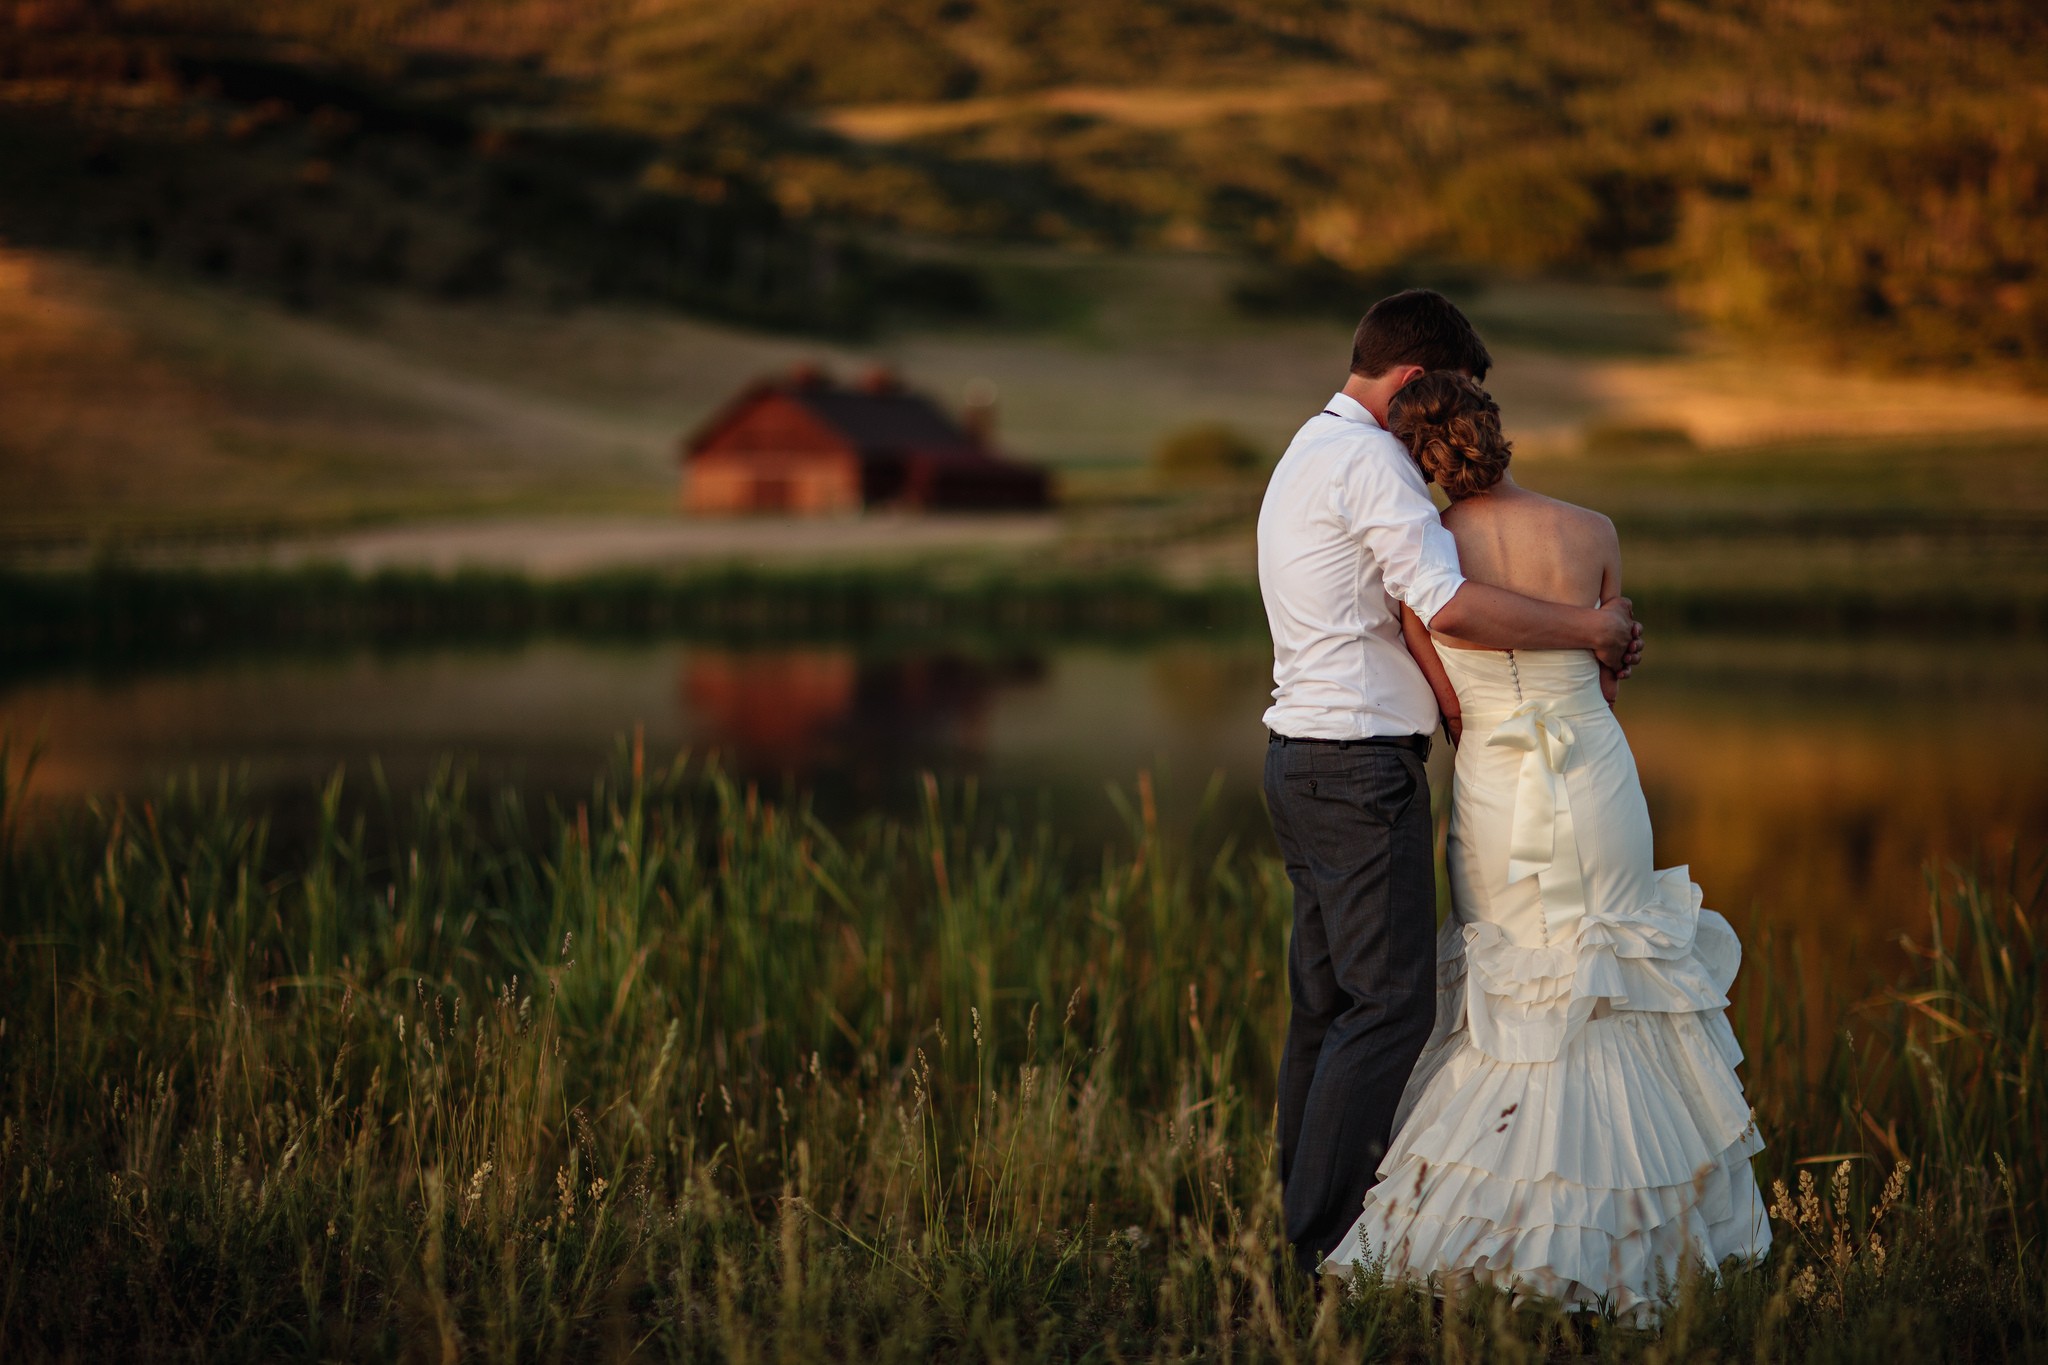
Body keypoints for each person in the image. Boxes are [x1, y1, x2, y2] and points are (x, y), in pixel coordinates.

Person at [1319, 371, 1770, 1318]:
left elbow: (1445, 703)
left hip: (1496, 784)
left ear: (1421, 456)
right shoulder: (1594, 530)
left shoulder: (1426, 553)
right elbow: (1607, 678)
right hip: (1597, 775)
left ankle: (1497, 1236)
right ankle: (1637, 1238)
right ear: (1495, 432)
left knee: (1514, 990)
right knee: (1610, 983)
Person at [1258, 290, 1643, 1274]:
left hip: (1299, 758)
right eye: (1454, 395)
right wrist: (1590, 631)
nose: (1454, 424)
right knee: (1389, 1008)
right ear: (1413, 379)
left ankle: (1300, 1222)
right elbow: (1447, 604)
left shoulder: (1308, 447)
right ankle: (1325, 1243)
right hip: (1354, 770)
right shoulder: (1371, 463)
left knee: (1325, 1005)